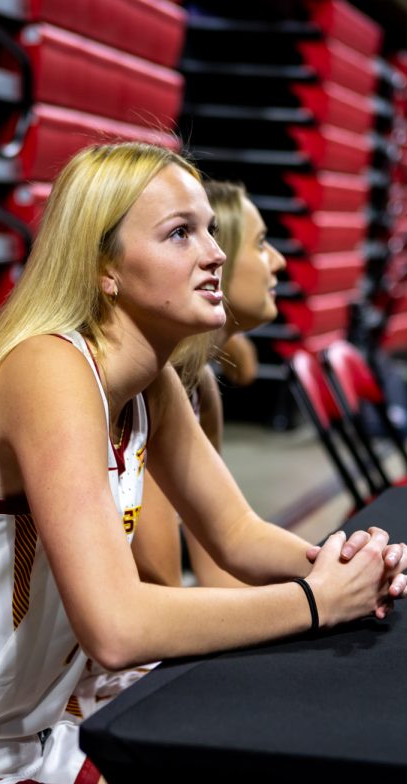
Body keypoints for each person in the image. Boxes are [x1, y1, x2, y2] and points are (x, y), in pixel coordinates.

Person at [0, 142, 407, 784]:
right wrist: (316, 603)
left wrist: (342, 564)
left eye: (210, 229)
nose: (214, 252)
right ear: (105, 270)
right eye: (180, 233)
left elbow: (235, 533)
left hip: (27, 739)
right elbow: (116, 628)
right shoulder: (49, 370)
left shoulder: (151, 382)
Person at [131, 180, 285, 590]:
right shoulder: (147, 392)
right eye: (261, 244)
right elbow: (160, 587)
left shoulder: (197, 384)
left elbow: (221, 563)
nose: (278, 261)